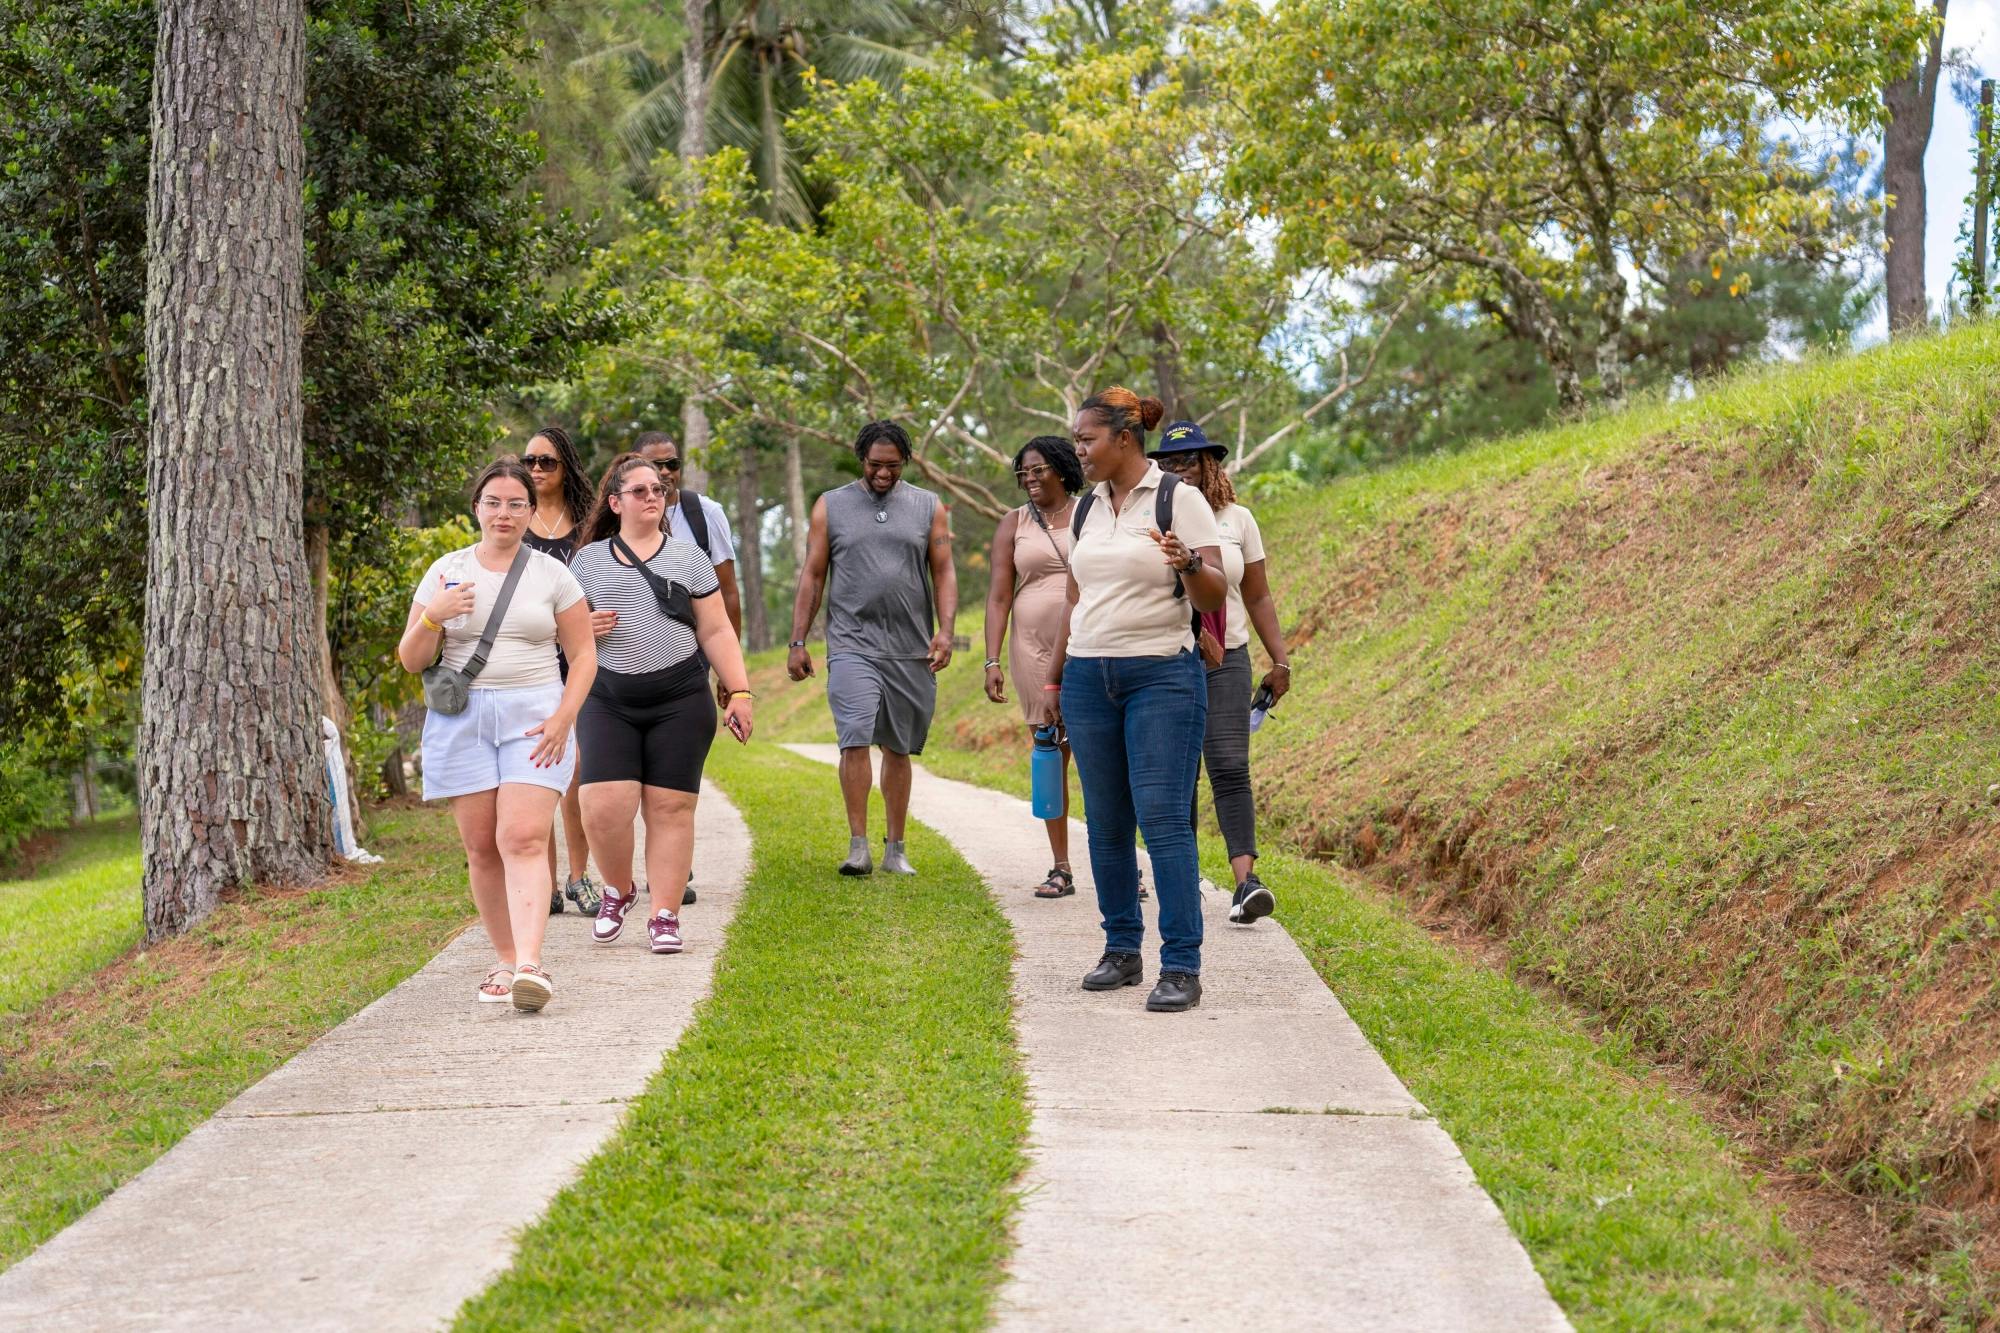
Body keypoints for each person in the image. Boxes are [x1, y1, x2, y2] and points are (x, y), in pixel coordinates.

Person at [1049, 387, 1225, 1013]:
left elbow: (1211, 597)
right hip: (1090, 677)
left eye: (1086, 440)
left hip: (1161, 675)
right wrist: (1054, 678)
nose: (1079, 451)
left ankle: (1180, 964)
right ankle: (1122, 949)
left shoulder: (1182, 499)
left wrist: (1187, 565)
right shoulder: (1086, 509)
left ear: (1124, 439)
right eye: (1076, 440)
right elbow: (1076, 599)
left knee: (1163, 819)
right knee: (1105, 822)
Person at [398, 459, 596, 1012]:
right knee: (482, 846)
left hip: (534, 711)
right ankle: (505, 959)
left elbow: (583, 655)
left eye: (516, 504)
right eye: (494, 502)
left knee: (523, 836)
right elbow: (412, 661)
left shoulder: (553, 575)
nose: (504, 513)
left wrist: (564, 716)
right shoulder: (445, 570)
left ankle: (532, 964)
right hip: (462, 717)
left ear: (532, 513)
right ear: (476, 509)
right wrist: (433, 618)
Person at [568, 454, 755, 956]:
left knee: (671, 806)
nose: (653, 497)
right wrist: (581, 629)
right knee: (603, 806)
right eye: (640, 491)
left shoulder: (689, 559)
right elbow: (562, 634)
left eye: (659, 491)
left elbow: (715, 629)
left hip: (679, 696)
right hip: (608, 697)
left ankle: (664, 914)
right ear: (615, 502)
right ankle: (619, 889)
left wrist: (739, 690)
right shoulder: (585, 562)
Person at [787, 420, 957, 877]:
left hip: (909, 647)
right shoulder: (832, 506)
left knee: (899, 748)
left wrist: (945, 631)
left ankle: (895, 848)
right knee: (856, 734)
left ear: (907, 462)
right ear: (861, 459)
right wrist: (799, 640)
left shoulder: (928, 507)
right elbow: (813, 575)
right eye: (876, 465)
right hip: (850, 642)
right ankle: (858, 845)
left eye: (894, 466)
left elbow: (943, 571)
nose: (884, 474)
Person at [1151, 420, 1290, 925]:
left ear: (1210, 464)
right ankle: (1181, 880)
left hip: (1226, 657)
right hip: (1165, 659)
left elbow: (1256, 594)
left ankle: (1245, 884)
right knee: (1178, 775)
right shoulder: (1151, 516)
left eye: (1187, 461)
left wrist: (1281, 660)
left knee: (1230, 766)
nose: (1176, 471)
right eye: (1167, 463)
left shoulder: (1237, 519)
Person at [635, 429, 745, 906]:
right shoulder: (620, 513)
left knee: (673, 767)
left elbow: (728, 592)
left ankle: (675, 867)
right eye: (652, 467)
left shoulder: (705, 514)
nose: (663, 476)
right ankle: (658, 862)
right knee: (631, 773)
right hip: (629, 662)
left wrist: (730, 672)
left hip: (691, 657)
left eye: (671, 465)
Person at [984, 435, 1084, 898]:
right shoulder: (1014, 523)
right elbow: (1000, 595)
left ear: (1062, 469)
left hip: (1089, 642)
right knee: (1050, 756)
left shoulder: (1092, 511)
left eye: (1038, 469)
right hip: (1032, 649)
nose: (1030, 479)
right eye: (1023, 472)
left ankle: (1125, 865)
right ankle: (1061, 867)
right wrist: (991, 658)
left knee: (1105, 758)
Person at [519, 425, 602, 918]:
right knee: (537, 773)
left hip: (582, 661)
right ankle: (546, 883)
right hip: (529, 662)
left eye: (546, 462)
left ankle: (579, 877)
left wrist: (596, 620)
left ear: (566, 467)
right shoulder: (513, 521)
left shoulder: (588, 524)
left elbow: (609, 580)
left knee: (577, 773)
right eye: (529, 461)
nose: (535, 470)